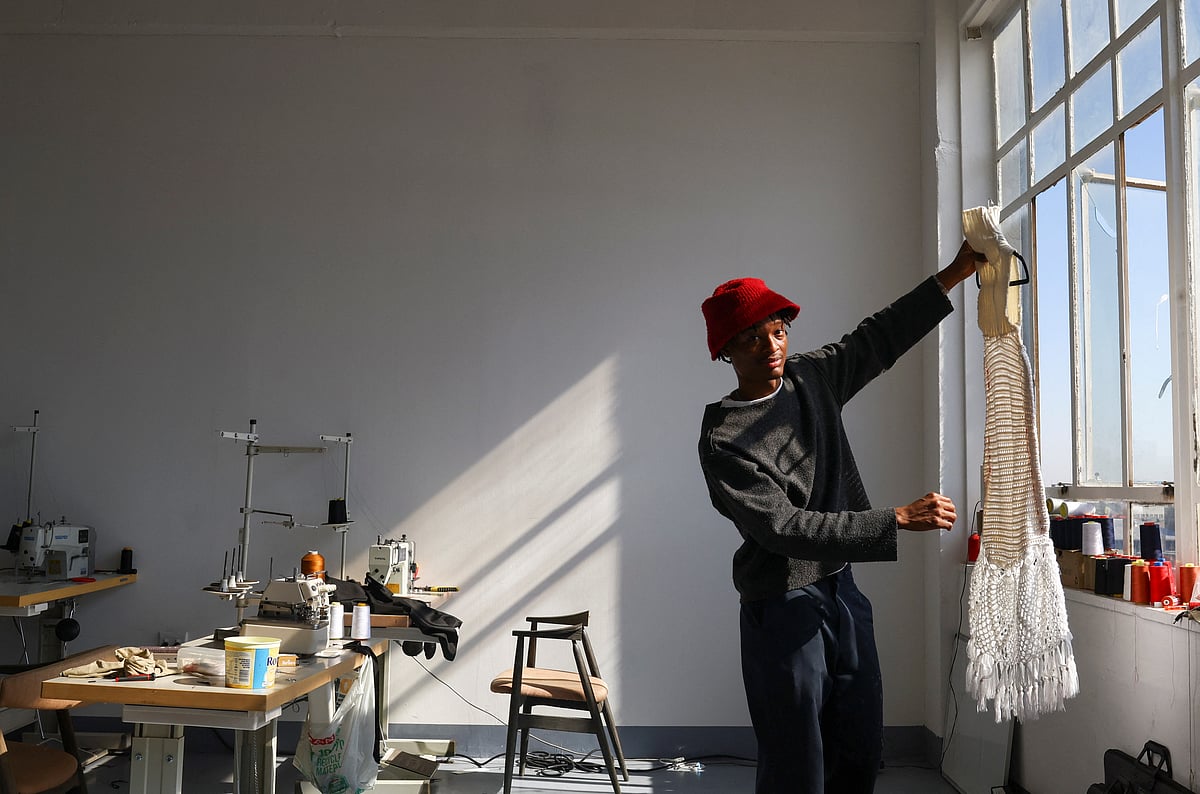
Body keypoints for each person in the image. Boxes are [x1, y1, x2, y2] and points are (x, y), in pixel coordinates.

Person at [697, 241, 983, 794]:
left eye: (778, 331)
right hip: (778, 603)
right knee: (795, 759)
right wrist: (893, 519)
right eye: (752, 337)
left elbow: (878, 337)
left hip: (840, 589)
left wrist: (955, 272)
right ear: (726, 351)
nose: (771, 346)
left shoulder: (813, 380)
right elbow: (782, 529)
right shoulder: (723, 440)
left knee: (859, 740)